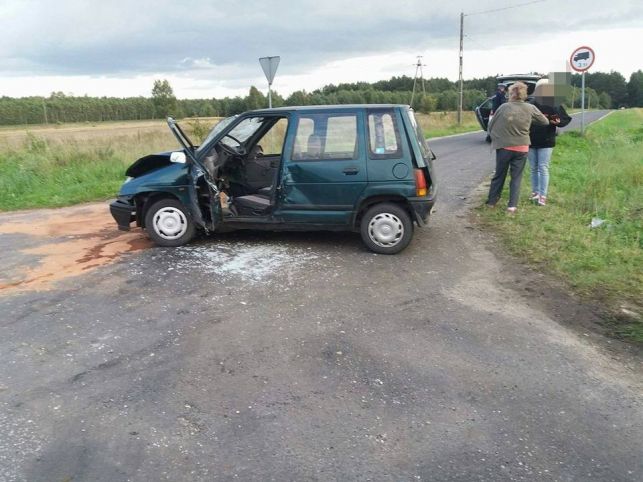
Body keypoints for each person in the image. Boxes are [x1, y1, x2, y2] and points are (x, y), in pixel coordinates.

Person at [486, 81, 552, 214]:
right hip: (522, 147)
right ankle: (512, 206)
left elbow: (491, 125)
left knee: (499, 175)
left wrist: (497, 137)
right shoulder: (530, 108)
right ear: (524, 94)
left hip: (504, 147)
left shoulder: (504, 107)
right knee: (516, 177)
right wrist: (529, 121)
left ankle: (492, 202)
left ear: (511, 94)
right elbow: (545, 122)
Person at [528, 79, 571, 206]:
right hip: (531, 140)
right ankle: (535, 193)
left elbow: (565, 119)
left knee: (543, 167)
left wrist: (558, 122)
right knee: (533, 168)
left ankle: (543, 195)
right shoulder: (531, 104)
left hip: (547, 140)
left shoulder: (555, 105)